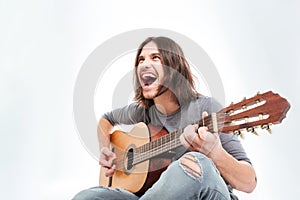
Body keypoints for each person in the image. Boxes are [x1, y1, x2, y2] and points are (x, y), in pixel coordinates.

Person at [73, 36, 257, 200]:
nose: (144, 64)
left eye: (155, 57)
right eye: (141, 59)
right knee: (88, 196)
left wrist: (214, 152)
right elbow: (106, 120)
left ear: (173, 67)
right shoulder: (143, 111)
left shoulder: (205, 108)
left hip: (207, 194)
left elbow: (249, 182)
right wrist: (105, 148)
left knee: (192, 163)